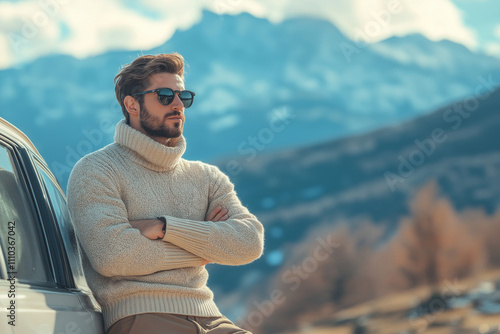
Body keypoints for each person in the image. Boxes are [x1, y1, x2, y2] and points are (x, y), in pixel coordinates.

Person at [67, 53, 264, 334]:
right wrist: (204, 244)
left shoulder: (207, 177)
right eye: (164, 95)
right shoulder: (96, 170)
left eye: (182, 97)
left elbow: (249, 242)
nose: (177, 105)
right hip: (142, 316)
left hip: (212, 318)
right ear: (132, 104)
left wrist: (164, 227)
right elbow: (112, 256)